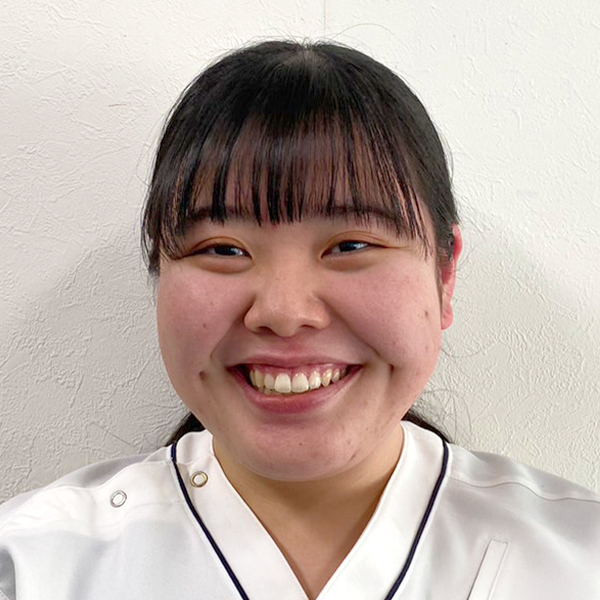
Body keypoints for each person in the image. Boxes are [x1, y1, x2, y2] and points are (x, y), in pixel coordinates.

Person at [1, 39, 599, 600]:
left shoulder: (578, 560)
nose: (284, 314)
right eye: (223, 249)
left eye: (351, 245)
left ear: (444, 276)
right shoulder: (31, 565)